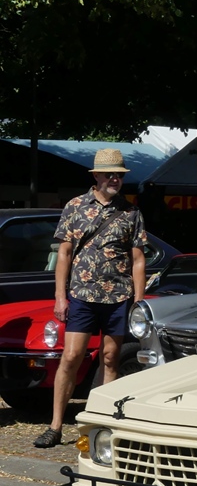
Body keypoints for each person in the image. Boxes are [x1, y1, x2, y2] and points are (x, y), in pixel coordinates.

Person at [34, 149, 148, 448]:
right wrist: (60, 297)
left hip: (118, 296)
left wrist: (138, 301)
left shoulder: (131, 212)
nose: (115, 179)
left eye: (119, 175)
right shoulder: (75, 206)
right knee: (71, 356)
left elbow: (138, 259)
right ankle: (55, 425)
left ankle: (102, 424)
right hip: (82, 295)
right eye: (109, 174)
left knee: (110, 358)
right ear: (96, 176)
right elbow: (64, 254)